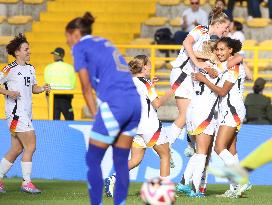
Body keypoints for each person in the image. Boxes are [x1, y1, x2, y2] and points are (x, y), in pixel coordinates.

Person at [65, 12, 141, 205]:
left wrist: (95, 114)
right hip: (134, 102)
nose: (66, 41)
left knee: (93, 158)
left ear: (75, 33)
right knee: (121, 159)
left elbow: (85, 86)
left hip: (115, 103)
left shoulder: (79, 47)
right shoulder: (104, 42)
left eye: (67, 36)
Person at [168, 7, 242, 154]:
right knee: (184, 115)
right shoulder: (201, 29)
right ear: (218, 24)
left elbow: (208, 58)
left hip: (193, 78)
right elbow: (186, 43)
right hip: (182, 74)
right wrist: (197, 62)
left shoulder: (214, 42)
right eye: (225, 27)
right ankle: (166, 146)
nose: (226, 31)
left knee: (193, 114)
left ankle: (191, 143)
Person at [104, 55, 174, 197]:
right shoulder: (145, 83)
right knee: (165, 155)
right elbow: (157, 104)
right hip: (150, 126)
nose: (150, 67)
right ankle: (163, 192)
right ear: (143, 67)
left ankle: (113, 178)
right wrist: (170, 92)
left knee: (135, 160)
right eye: (148, 65)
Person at [193, 37, 247, 198]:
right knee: (230, 149)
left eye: (222, 49)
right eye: (217, 49)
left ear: (230, 50)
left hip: (232, 110)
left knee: (219, 148)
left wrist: (204, 80)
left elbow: (222, 92)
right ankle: (235, 187)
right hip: (228, 110)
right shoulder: (225, 66)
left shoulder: (234, 67)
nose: (219, 52)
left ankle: (241, 180)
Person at [0, 33, 51, 194]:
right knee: (31, 145)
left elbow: (32, 88)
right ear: (17, 52)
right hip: (16, 114)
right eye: (26, 49)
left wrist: (42, 88)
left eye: (29, 49)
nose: (29, 52)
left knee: (16, 149)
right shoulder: (9, 69)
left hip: (26, 114)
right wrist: (8, 92)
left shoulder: (31, 68)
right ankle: (26, 182)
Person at [44, 47, 76, 120]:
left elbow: (47, 86)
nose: (53, 56)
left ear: (56, 55)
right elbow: (73, 85)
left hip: (53, 98)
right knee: (70, 121)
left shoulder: (48, 68)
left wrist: (48, 99)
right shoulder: (70, 67)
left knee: (54, 124)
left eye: (54, 54)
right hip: (66, 98)